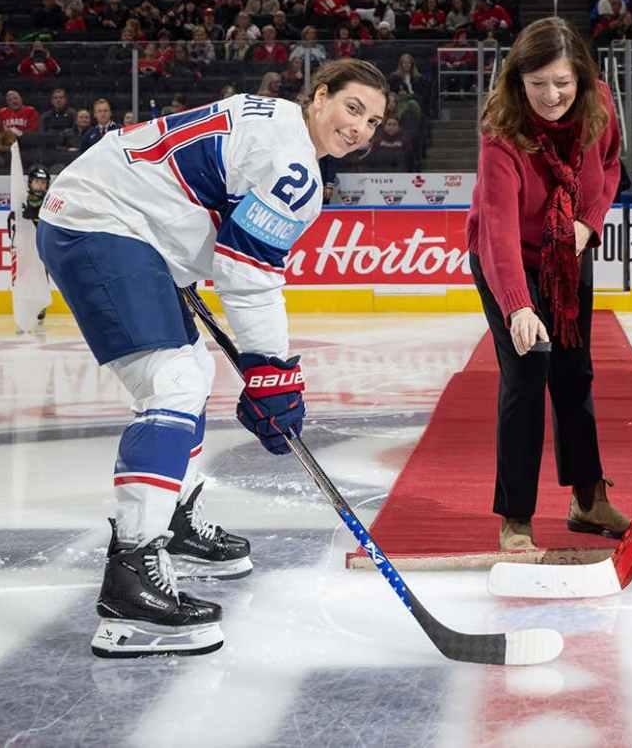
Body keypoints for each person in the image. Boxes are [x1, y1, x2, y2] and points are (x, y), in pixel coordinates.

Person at [35, 58, 388, 658]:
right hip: (103, 224)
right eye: (352, 108)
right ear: (320, 96)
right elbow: (247, 273)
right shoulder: (295, 167)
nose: (360, 129)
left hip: (117, 220)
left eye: (375, 122)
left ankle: (171, 522)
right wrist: (272, 373)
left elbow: (201, 200)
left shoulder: (274, 117)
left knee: (190, 371)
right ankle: (130, 583)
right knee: (171, 382)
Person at [467, 17, 628, 552]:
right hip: (507, 258)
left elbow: (608, 167)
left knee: (573, 371)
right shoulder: (503, 133)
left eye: (562, 82)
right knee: (528, 370)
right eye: (538, 85)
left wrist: (590, 222)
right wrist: (517, 306)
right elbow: (498, 228)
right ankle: (515, 516)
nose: (552, 95)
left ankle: (587, 498)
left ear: (580, 78)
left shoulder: (598, 105)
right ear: (518, 82)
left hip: (569, 249)